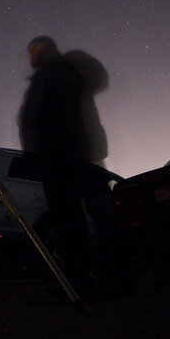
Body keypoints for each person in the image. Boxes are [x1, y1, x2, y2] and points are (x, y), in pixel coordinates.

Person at [18, 36, 109, 292]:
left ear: (45, 48)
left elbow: (53, 113)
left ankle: (97, 281)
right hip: (60, 157)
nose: (30, 56)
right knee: (71, 219)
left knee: (89, 216)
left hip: (73, 155)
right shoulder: (46, 77)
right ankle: (80, 281)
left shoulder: (63, 70)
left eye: (33, 49)